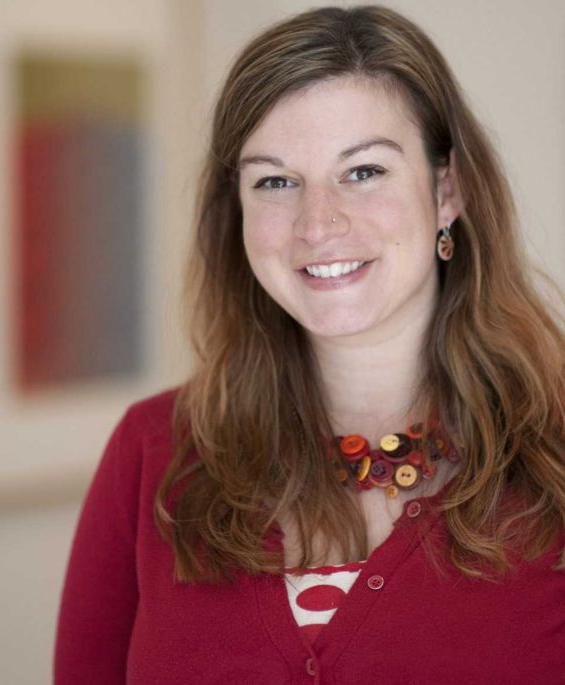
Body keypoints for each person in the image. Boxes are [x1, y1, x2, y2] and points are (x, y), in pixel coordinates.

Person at [54, 5, 565, 684]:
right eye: (275, 180)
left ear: (447, 192)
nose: (317, 222)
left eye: (364, 171)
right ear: (235, 213)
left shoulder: (553, 458)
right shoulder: (152, 455)